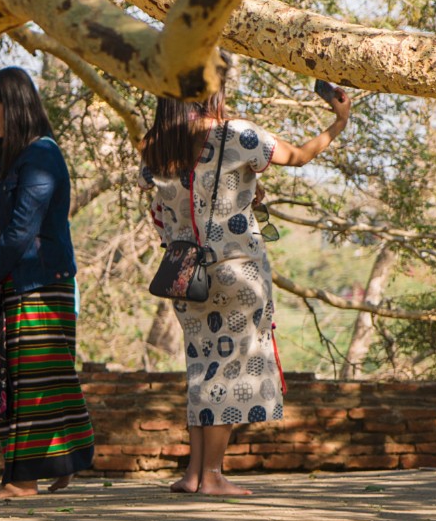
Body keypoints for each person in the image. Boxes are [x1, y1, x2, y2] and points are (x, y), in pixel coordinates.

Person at [142, 78, 353, 497]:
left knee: (202, 368)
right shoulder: (236, 133)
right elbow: (300, 156)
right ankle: (214, 475)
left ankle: (193, 473)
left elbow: (161, 215)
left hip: (186, 274)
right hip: (236, 269)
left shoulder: (154, 147)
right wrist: (339, 123)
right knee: (230, 371)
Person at [0, 69, 96, 499]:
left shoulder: (41, 156)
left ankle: (22, 481)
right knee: (34, 375)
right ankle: (62, 460)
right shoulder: (19, 157)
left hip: (39, 281)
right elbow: (0, 225)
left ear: (14, 104)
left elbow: (21, 231)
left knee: (29, 380)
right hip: (22, 281)